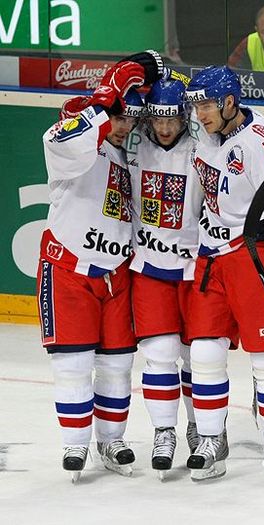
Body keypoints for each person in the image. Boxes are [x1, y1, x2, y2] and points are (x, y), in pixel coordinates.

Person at [182, 65, 264, 483]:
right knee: (204, 352)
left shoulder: (262, 142)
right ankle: (209, 439)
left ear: (228, 102)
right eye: (196, 104)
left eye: (206, 104)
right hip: (210, 257)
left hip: (252, 255)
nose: (200, 113)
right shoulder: (206, 136)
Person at [38, 52, 163, 481]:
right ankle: (75, 444)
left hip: (117, 274)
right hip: (69, 268)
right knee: (72, 365)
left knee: (116, 364)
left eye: (125, 116)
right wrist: (103, 98)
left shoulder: (130, 151)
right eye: (116, 115)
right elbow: (64, 140)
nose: (124, 123)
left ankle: (112, 439)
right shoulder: (68, 147)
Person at [126, 75, 204, 479]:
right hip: (149, 267)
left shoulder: (202, 145)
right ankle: (163, 431)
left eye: (172, 118)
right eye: (157, 119)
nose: (165, 127)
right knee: (159, 357)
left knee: (197, 358)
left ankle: (199, 426)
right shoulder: (131, 141)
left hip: (194, 269)